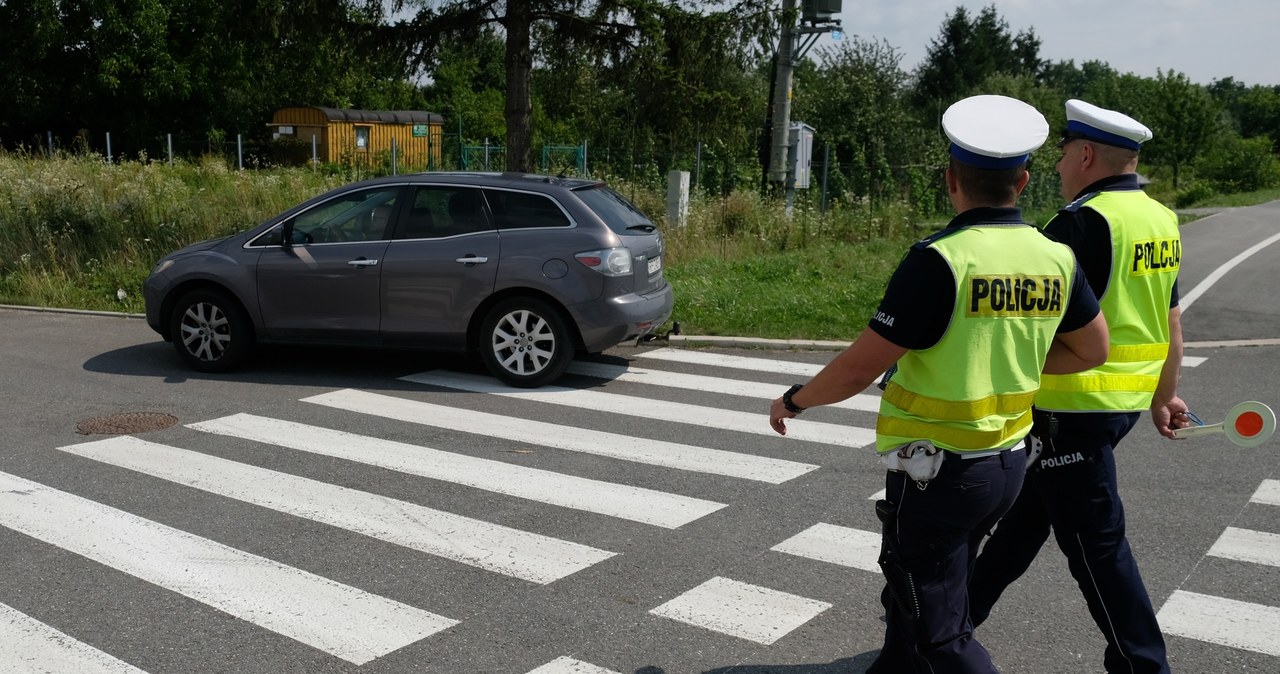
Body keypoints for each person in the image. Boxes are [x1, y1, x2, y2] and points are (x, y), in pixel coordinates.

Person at [768, 94, 1110, 673]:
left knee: (941, 634)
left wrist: (794, 399)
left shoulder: (941, 261)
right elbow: (1092, 350)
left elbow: (858, 368)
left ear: (951, 180)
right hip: (1005, 463)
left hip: (942, 473)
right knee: (914, 596)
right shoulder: (1056, 257)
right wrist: (1013, 363)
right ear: (1023, 181)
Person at [968, 99, 1190, 674]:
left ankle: (1143, 664)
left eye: (1064, 153)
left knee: (1098, 547)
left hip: (1071, 407)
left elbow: (1038, 318)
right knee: (1024, 523)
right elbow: (1169, 318)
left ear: (1086, 154)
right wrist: (1165, 394)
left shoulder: (1081, 222)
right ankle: (945, 628)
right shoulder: (1160, 218)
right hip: (1120, 407)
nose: (1060, 166)